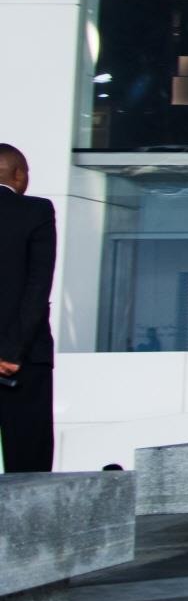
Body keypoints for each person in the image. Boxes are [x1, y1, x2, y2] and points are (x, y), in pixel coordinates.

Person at [0, 143, 57, 473]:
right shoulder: (36, 211)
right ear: (19, 175)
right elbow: (37, 287)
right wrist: (10, 352)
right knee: (28, 470)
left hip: (19, 357)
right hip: (24, 361)